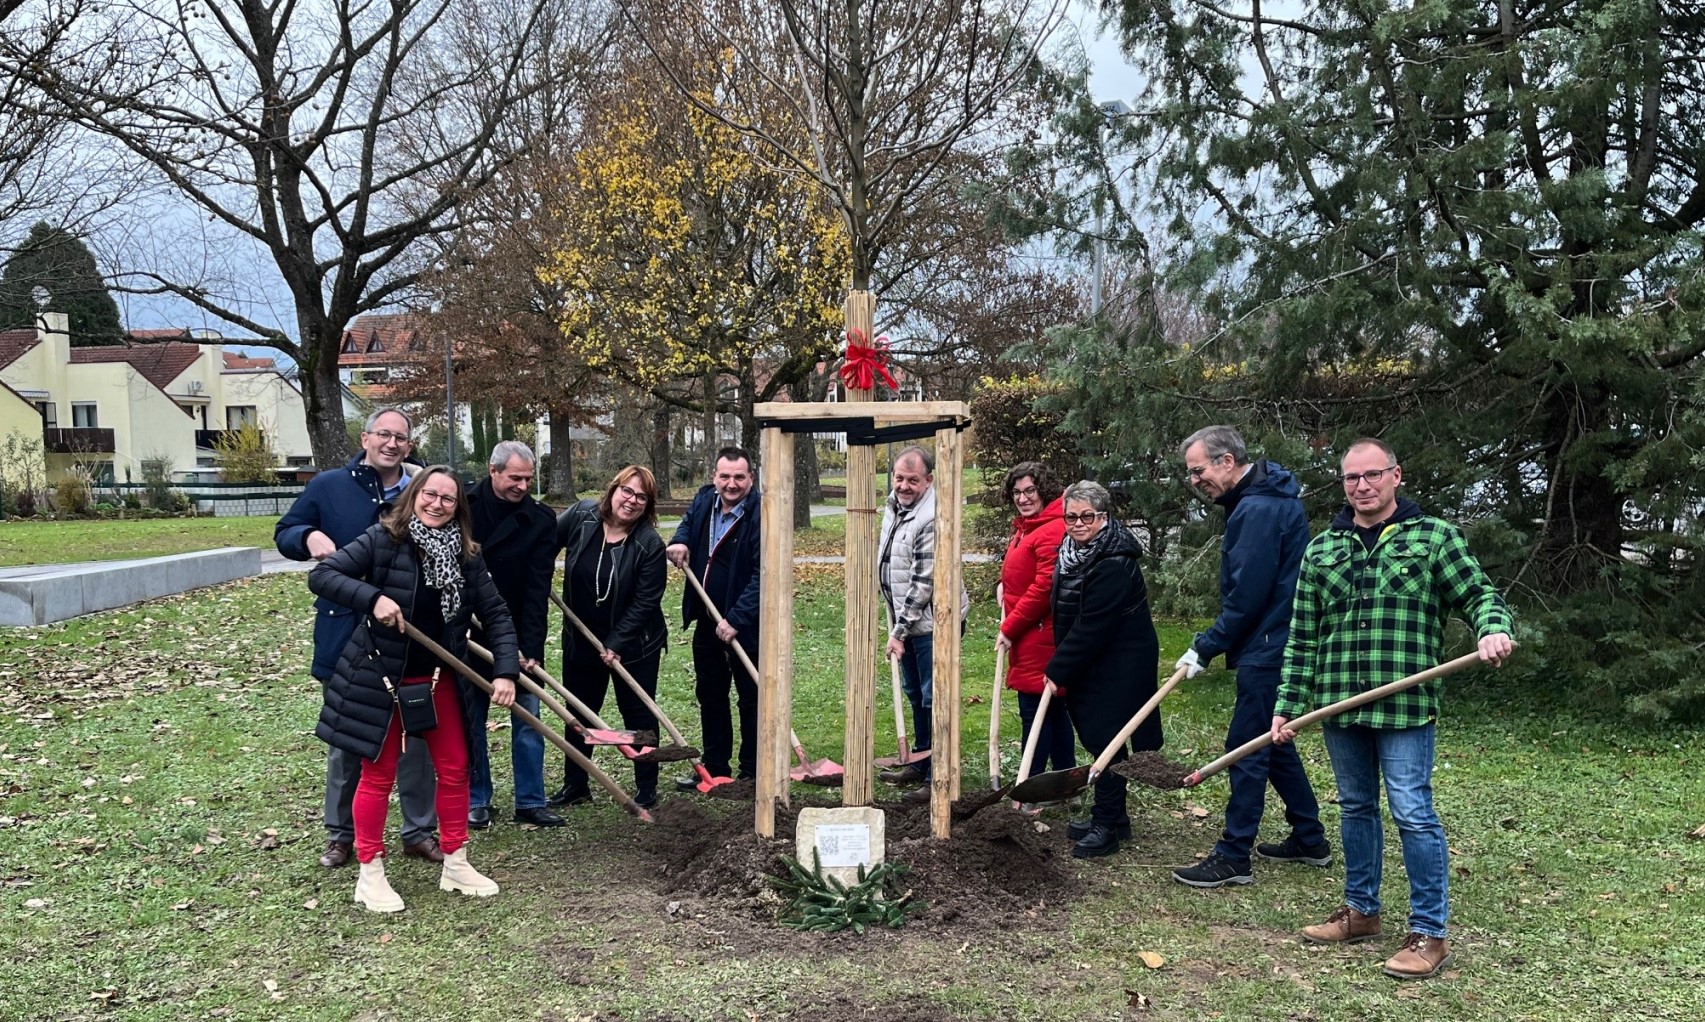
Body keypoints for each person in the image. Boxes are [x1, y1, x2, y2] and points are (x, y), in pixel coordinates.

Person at [1272, 438, 1513, 980]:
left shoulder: (1433, 538)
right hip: (1339, 706)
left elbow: (1478, 594)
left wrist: (1493, 628)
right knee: (1355, 807)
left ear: (1396, 476)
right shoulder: (1324, 549)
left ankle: (1430, 933)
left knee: (1412, 811)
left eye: (1372, 475)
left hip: (1406, 706)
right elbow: (1303, 637)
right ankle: (1362, 912)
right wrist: (1286, 706)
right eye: (1352, 478)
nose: (1362, 486)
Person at [307, 466, 520, 913]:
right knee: (379, 774)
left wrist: (505, 671)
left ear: (458, 507)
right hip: (380, 678)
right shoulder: (383, 539)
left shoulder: (466, 554)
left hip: (439, 677)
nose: (437, 504)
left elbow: (497, 614)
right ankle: (370, 872)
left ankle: (456, 862)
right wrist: (373, 598)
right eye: (430, 494)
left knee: (457, 767)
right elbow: (323, 577)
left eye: (448, 498)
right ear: (415, 496)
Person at [274, 407, 440, 870]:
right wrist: (307, 537)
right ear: (365, 438)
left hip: (409, 638)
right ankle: (341, 835)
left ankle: (418, 830)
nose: (392, 443)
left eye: (400, 437)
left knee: (415, 736)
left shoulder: (420, 491)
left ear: (409, 445)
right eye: (383, 434)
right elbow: (285, 531)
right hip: (346, 634)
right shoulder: (328, 486)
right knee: (349, 740)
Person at [1170, 426, 1329, 889]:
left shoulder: (1257, 509)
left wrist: (1205, 644)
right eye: (1191, 473)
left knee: (1246, 748)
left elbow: (1248, 596)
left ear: (1226, 461)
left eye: (1199, 470)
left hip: (1268, 644)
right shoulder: (1268, 497)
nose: (1196, 480)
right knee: (1272, 741)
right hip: (1274, 639)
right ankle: (1309, 837)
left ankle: (1234, 854)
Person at [1046, 480, 1160, 859]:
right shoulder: (1073, 551)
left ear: (1104, 518)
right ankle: (1115, 817)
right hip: (1091, 660)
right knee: (1098, 739)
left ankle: (1107, 824)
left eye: (1087, 516)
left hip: (1118, 665)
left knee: (1106, 742)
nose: (1078, 524)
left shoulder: (1114, 562)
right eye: (1071, 516)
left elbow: (1093, 624)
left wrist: (1058, 668)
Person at [553, 465, 668, 808]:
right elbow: (546, 543)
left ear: (647, 506)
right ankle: (576, 784)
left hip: (634, 646)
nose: (631, 501)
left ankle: (646, 788)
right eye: (627, 491)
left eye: (641, 497)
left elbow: (647, 601)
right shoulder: (582, 516)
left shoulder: (649, 544)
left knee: (639, 717)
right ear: (613, 489)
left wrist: (616, 643)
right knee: (580, 713)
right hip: (581, 639)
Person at [465, 441, 563, 829]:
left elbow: (538, 589)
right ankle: (477, 799)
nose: (522, 486)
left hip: (518, 629)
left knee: (528, 717)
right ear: (493, 471)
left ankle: (531, 800)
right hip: (469, 628)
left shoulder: (540, 520)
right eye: (514, 478)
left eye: (527, 478)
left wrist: (531, 648)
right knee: (471, 719)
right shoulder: (464, 507)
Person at [876, 445, 968, 805]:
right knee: (915, 695)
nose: (904, 485)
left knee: (934, 699)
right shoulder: (894, 507)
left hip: (932, 624)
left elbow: (923, 583)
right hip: (907, 620)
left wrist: (899, 631)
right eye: (899, 478)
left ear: (928, 480)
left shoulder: (932, 516)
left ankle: (936, 774)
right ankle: (920, 759)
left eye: (913, 480)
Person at [666, 448, 761, 790]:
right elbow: (687, 525)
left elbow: (763, 573)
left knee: (751, 696)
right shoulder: (705, 500)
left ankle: (752, 771)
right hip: (708, 620)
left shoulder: (760, 514)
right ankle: (716, 766)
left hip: (746, 625)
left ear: (751, 478)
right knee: (711, 693)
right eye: (725, 476)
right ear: (714, 477)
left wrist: (737, 618)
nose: (731, 484)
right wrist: (678, 541)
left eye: (739, 477)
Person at [995, 462, 1073, 796]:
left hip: (1042, 635)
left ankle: (1032, 788)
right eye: (1017, 492)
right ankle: (1065, 781)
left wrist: (1010, 628)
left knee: (1036, 710)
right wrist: (1003, 585)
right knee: (1053, 710)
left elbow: (1044, 588)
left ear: (1045, 489)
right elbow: (1025, 572)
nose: (1023, 498)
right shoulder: (1029, 526)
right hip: (1030, 633)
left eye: (1030, 491)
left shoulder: (1052, 528)